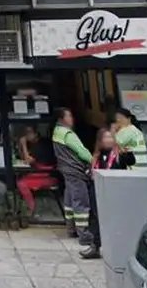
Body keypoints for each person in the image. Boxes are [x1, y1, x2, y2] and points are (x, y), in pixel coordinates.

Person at [81, 128, 135, 260]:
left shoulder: (118, 154)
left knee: (115, 220)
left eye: (111, 137)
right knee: (96, 219)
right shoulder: (97, 156)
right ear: (100, 141)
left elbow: (130, 161)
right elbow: (91, 170)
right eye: (105, 137)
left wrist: (129, 154)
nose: (109, 140)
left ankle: (119, 248)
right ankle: (95, 246)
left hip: (114, 193)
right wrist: (89, 173)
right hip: (97, 191)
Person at [51, 108, 93, 245]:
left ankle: (71, 229)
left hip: (66, 170)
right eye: (68, 116)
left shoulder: (56, 132)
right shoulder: (67, 133)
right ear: (61, 119)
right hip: (75, 171)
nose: (71, 118)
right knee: (81, 202)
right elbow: (82, 151)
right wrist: (93, 161)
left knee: (69, 201)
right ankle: (84, 235)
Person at [15, 126, 58, 219]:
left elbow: (28, 160)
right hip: (40, 172)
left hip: (47, 175)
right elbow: (24, 157)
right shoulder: (34, 144)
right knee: (21, 178)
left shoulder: (41, 145)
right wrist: (21, 146)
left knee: (21, 183)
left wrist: (23, 144)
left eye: (28, 133)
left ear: (35, 134)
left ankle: (30, 208)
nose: (26, 136)